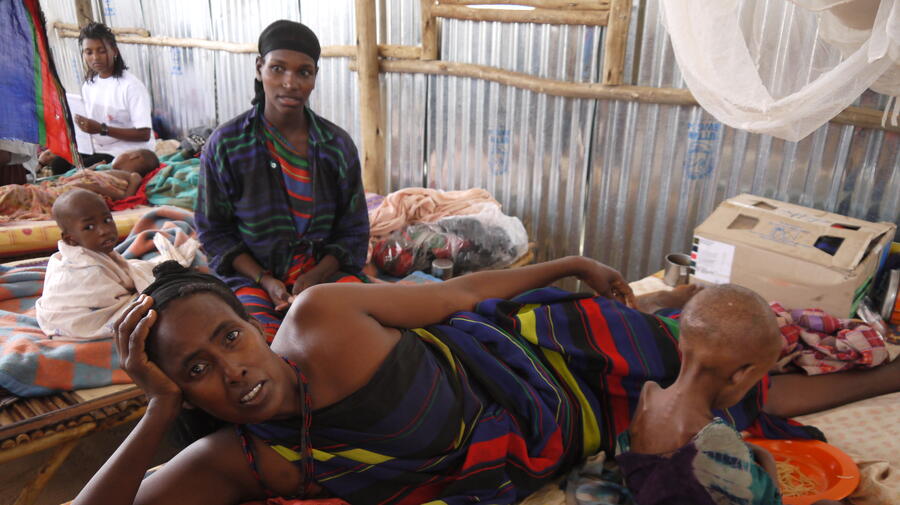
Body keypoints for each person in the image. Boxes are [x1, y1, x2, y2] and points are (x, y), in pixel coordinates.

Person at [72, 257, 900, 505]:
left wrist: (569, 263)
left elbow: (463, 294)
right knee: (713, 393)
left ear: (255, 323)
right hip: (545, 432)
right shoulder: (240, 458)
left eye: (230, 336)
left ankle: (669, 306)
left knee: (734, 376)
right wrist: (156, 410)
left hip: (526, 351)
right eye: (197, 370)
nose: (233, 369)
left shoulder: (323, 316)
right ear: (183, 390)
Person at [195, 20, 369, 342]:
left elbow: (354, 230)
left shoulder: (336, 146)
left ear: (314, 77)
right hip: (251, 279)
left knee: (355, 335)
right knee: (259, 342)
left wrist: (316, 275)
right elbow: (213, 231)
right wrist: (264, 279)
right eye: (278, 68)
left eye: (304, 72)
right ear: (259, 68)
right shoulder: (227, 144)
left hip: (325, 276)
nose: (290, 83)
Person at [616, 285, 842, 505]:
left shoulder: (649, 394)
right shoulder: (717, 442)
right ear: (741, 375)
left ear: (681, 345)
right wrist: (767, 461)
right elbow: (769, 499)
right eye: (757, 378)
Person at [35, 189, 154, 339]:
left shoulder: (97, 251)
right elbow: (106, 299)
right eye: (89, 227)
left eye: (107, 220)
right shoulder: (86, 270)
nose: (104, 230)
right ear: (70, 239)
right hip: (75, 321)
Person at [44, 22, 156, 175]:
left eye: (102, 51)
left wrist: (102, 129)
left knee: (79, 171)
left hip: (127, 151)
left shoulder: (131, 86)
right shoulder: (89, 85)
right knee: (59, 164)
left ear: (114, 51)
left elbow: (144, 134)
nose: (95, 57)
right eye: (88, 52)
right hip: (100, 147)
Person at [0, 149, 159, 222]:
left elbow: (126, 198)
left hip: (76, 193)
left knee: (17, 193)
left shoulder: (132, 176)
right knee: (21, 192)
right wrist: (90, 171)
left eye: (125, 153)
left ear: (134, 156)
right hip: (70, 188)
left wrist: (96, 188)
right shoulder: (107, 170)